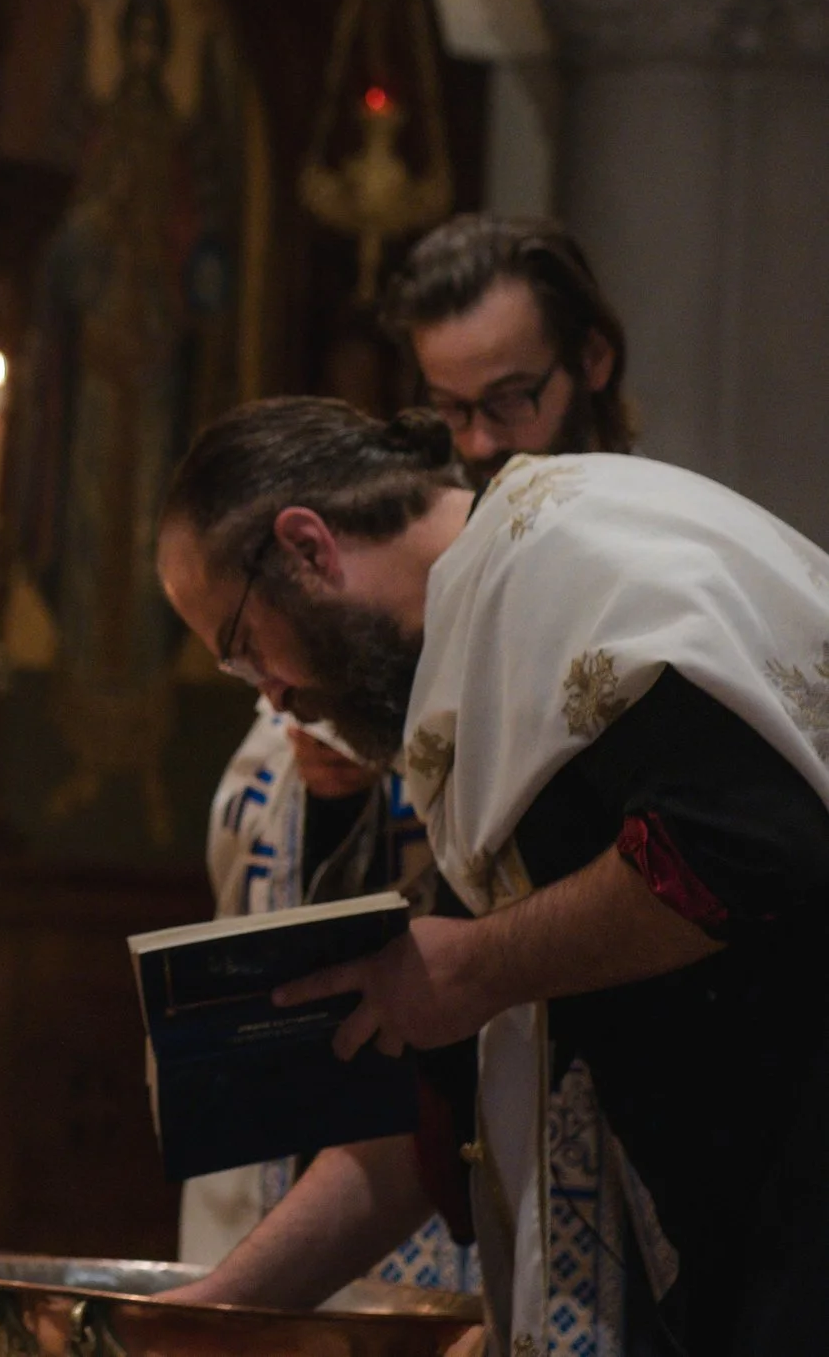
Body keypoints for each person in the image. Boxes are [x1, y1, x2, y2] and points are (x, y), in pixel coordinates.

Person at [155, 397, 829, 1355]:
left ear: (307, 546)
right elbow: (428, 1105)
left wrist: (474, 967)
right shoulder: (487, 643)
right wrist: (214, 1315)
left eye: (245, 647)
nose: (273, 695)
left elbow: (744, 848)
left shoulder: (570, 566)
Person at [181, 215, 637, 1284]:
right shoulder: (393, 608)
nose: (478, 442)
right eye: (446, 406)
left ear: (591, 364)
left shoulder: (634, 566)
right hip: (428, 1166)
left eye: (507, 401)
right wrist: (338, 783)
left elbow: (716, 854)